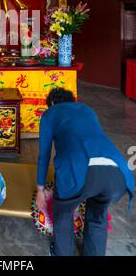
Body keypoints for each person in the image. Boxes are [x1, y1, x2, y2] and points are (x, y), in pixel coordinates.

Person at [36, 87, 134, 257]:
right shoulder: (87, 110)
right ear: (73, 100)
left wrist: (40, 190)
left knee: (63, 212)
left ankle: (62, 252)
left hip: (79, 170)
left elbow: (44, 156)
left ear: (51, 103)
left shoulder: (50, 113)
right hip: (116, 173)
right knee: (98, 213)